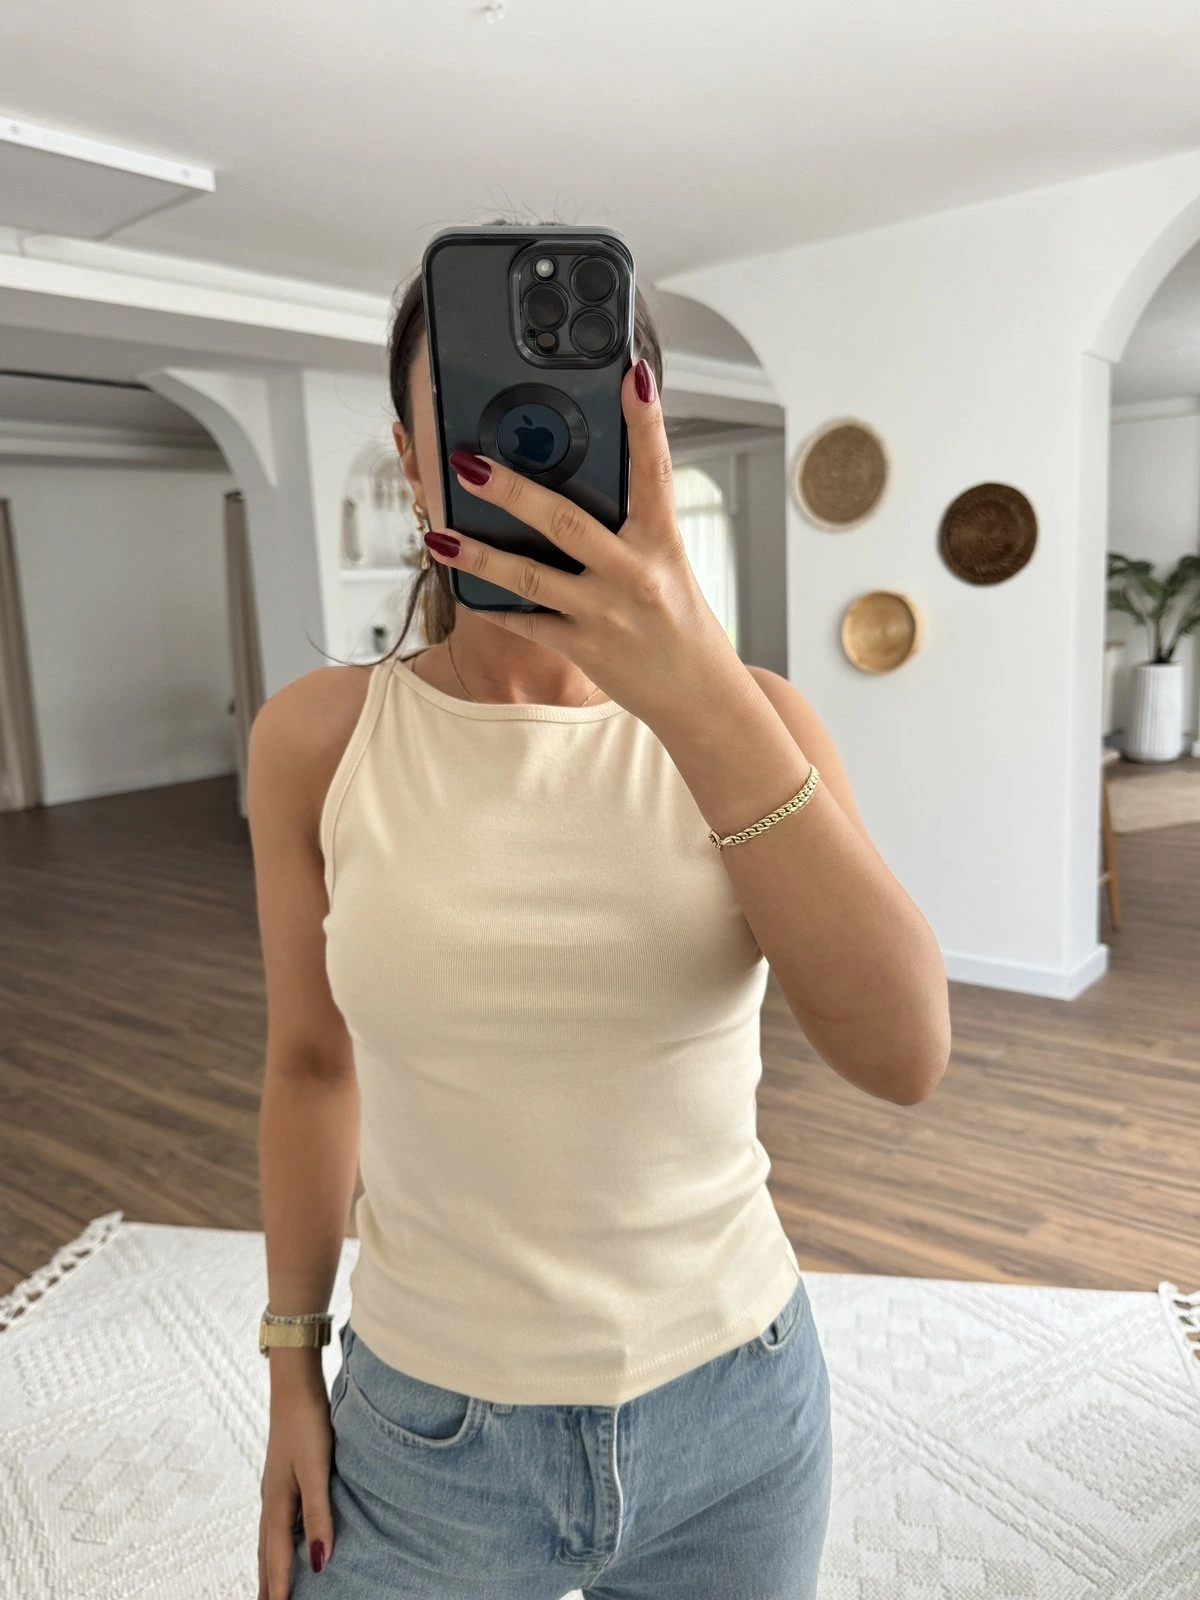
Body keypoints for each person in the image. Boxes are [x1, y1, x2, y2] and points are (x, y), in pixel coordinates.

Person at [251, 220, 950, 1600]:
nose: (525, 452)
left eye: (567, 417)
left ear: (646, 443)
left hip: (739, 1416)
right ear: (412, 460)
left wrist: (701, 696)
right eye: (477, 418)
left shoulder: (756, 722)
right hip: (426, 1433)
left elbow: (905, 1055)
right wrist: (289, 1367)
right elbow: (310, 1067)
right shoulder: (318, 743)